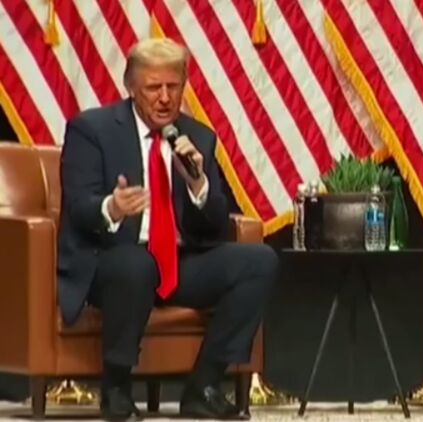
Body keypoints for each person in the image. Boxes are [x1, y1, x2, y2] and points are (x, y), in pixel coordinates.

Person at [57, 38, 278, 420]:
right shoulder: (92, 129)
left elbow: (215, 227)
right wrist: (112, 207)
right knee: (136, 265)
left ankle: (204, 385)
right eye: (153, 88)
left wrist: (197, 185)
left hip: (177, 263)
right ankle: (116, 388)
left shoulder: (198, 137)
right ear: (131, 87)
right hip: (111, 261)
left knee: (259, 261)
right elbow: (79, 208)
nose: (164, 98)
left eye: (173, 87)